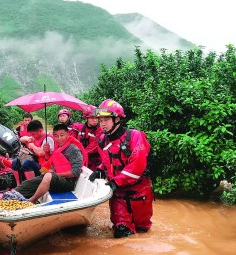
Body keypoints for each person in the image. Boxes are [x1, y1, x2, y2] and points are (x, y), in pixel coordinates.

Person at [89, 99, 154, 239]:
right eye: (100, 120)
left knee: (143, 232)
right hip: (118, 194)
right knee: (122, 232)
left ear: (117, 119)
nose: (102, 123)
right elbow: (108, 161)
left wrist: (115, 182)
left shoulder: (135, 136)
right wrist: (100, 170)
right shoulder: (102, 140)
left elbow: (137, 166)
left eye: (106, 119)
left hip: (139, 191)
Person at [13, 123, 83, 203]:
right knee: (30, 181)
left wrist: (54, 174)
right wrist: (47, 153)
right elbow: (51, 163)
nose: (59, 138)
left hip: (68, 182)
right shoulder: (57, 147)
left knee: (48, 175)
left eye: (62, 135)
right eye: (56, 136)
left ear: (67, 134)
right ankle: (12, 195)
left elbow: (75, 172)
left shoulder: (73, 149)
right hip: (54, 178)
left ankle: (32, 201)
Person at [72, 105, 102, 171]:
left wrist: (80, 153)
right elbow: (73, 138)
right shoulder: (81, 128)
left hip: (95, 162)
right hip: (83, 158)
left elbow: (95, 146)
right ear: (86, 118)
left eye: (97, 118)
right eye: (92, 118)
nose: (95, 120)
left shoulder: (100, 130)